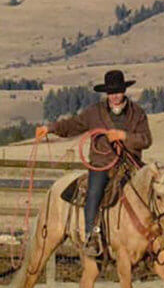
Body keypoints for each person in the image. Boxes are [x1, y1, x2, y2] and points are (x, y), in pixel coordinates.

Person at [40, 69, 152, 257]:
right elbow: (73, 125)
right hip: (102, 164)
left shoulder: (138, 114)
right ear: (107, 93)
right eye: (111, 93)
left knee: (155, 190)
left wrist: (124, 136)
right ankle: (92, 235)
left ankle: (159, 235)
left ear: (124, 91)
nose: (115, 97)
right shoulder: (94, 113)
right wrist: (50, 128)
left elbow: (146, 139)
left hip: (130, 164)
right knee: (94, 192)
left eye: (118, 92)